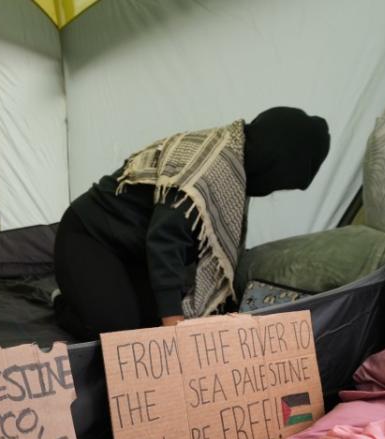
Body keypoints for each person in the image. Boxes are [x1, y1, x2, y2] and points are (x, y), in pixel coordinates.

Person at [53, 107, 330, 340]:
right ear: (273, 166)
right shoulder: (212, 172)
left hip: (132, 252)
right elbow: (165, 240)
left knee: (156, 319)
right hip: (89, 238)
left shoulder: (236, 158)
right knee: (124, 337)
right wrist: (175, 329)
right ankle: (64, 304)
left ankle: (91, 295)